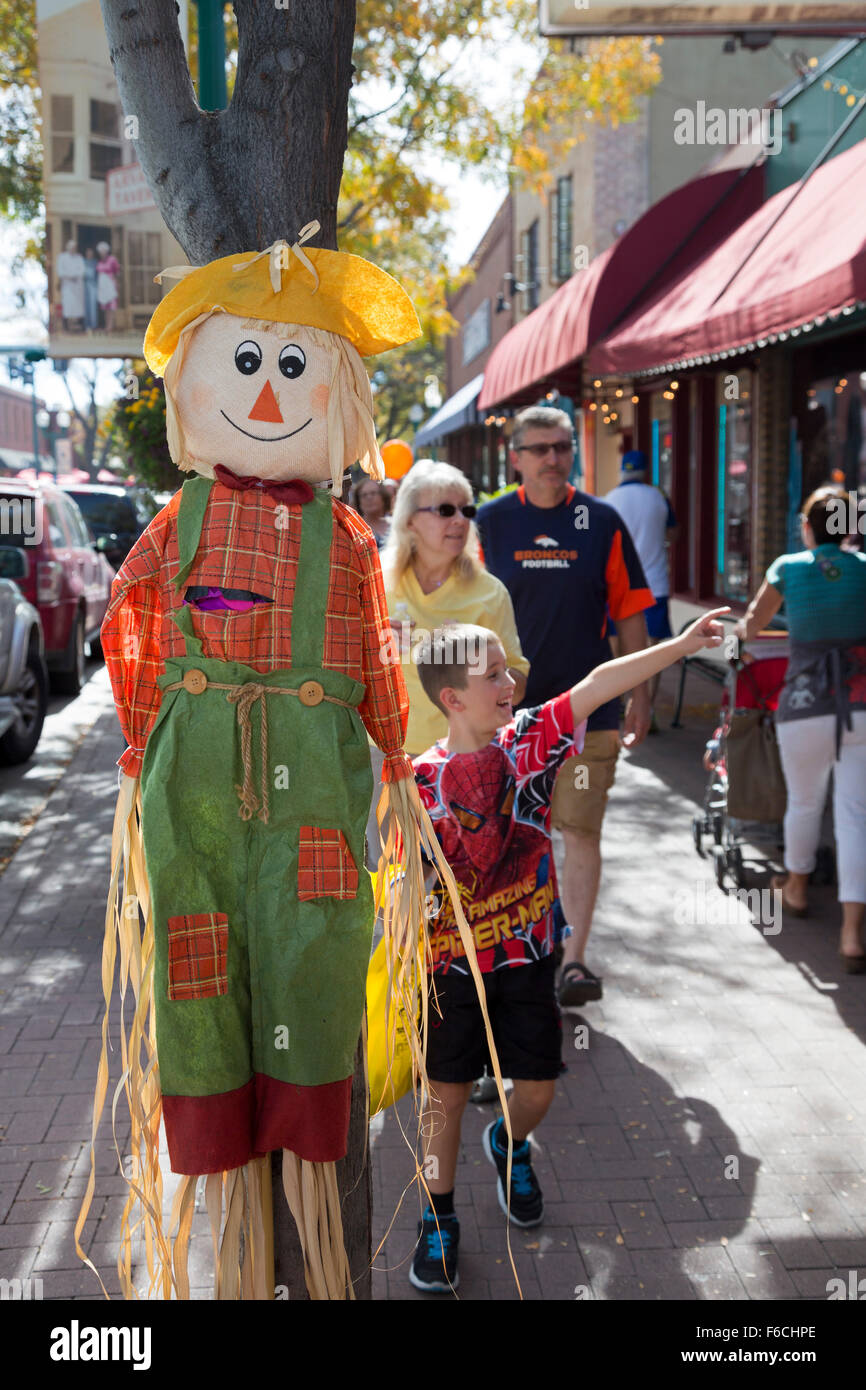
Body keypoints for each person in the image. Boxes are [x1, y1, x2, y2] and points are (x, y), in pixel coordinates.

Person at [409, 608, 728, 1292]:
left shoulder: (532, 738)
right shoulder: (416, 782)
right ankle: (437, 1220)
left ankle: (511, 1143)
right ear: (451, 699)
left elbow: (600, 679)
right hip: (449, 969)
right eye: (492, 673)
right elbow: (407, 872)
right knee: (446, 1094)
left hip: (528, 957)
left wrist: (678, 645)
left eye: (510, 668)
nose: (511, 680)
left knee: (540, 1089)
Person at [476, 406, 654, 1008]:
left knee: (577, 829)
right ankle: (524, 951)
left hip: (589, 711)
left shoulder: (600, 521)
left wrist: (641, 693)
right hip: (506, 716)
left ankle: (572, 960)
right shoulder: (493, 523)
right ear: (517, 457)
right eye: (541, 449)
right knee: (513, 835)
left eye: (562, 447)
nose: (554, 458)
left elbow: (630, 612)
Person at [736, 485, 866, 970]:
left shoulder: (787, 568)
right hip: (861, 701)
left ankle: (796, 888)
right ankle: (853, 934)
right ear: (850, 527)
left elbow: (751, 625)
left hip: (806, 701)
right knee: (856, 814)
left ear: (808, 528)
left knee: (805, 802)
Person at [379, 459, 528, 759]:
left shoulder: (489, 592)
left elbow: (518, 687)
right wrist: (375, 649)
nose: (460, 520)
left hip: (464, 759)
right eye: (445, 510)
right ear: (409, 520)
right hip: (384, 754)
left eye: (467, 510)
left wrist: (476, 662)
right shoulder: (375, 581)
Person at [605, 449, 680, 730]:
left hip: (618, 584)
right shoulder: (658, 497)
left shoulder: (610, 500)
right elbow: (673, 534)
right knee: (651, 650)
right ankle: (649, 711)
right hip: (654, 584)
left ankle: (615, 707)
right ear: (646, 472)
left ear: (623, 471)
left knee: (615, 647)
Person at [350, 475, 391, 548]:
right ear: (358, 501)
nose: (369, 497)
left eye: (373, 493)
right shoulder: (354, 531)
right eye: (364, 495)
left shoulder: (396, 525)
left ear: (383, 497)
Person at [57, 240, 85, 331]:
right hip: (67, 285)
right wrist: (69, 276)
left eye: (74, 247)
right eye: (71, 247)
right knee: (68, 304)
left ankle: (79, 325)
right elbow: (60, 271)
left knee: (78, 305)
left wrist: (75, 275)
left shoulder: (79, 257)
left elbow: (82, 270)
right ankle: (66, 326)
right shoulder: (62, 257)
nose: (73, 249)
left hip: (77, 285)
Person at [96, 241, 120, 332]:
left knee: (111, 305)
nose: (102, 253)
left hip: (110, 283)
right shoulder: (99, 262)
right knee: (105, 306)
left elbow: (117, 271)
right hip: (102, 285)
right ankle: (107, 326)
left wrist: (116, 282)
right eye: (100, 251)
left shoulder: (112, 259)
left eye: (104, 251)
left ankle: (111, 325)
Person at [83, 247, 100, 332]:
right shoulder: (83, 261)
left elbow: (98, 275)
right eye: (88, 252)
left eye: (91, 252)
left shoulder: (95, 262)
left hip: (93, 285)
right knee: (86, 305)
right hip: (85, 285)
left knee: (93, 305)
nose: (89, 254)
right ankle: (87, 325)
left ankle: (94, 325)